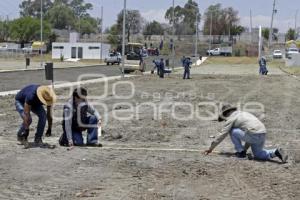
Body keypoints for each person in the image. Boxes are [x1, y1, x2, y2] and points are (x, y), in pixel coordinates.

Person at [204, 104, 288, 163]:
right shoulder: (244, 114)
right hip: (262, 133)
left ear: (226, 114)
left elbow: (222, 134)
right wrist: (245, 149)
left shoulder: (231, 118)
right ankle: (276, 152)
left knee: (232, 130)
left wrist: (211, 148)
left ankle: (240, 154)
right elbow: (249, 131)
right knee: (258, 155)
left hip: (254, 134)